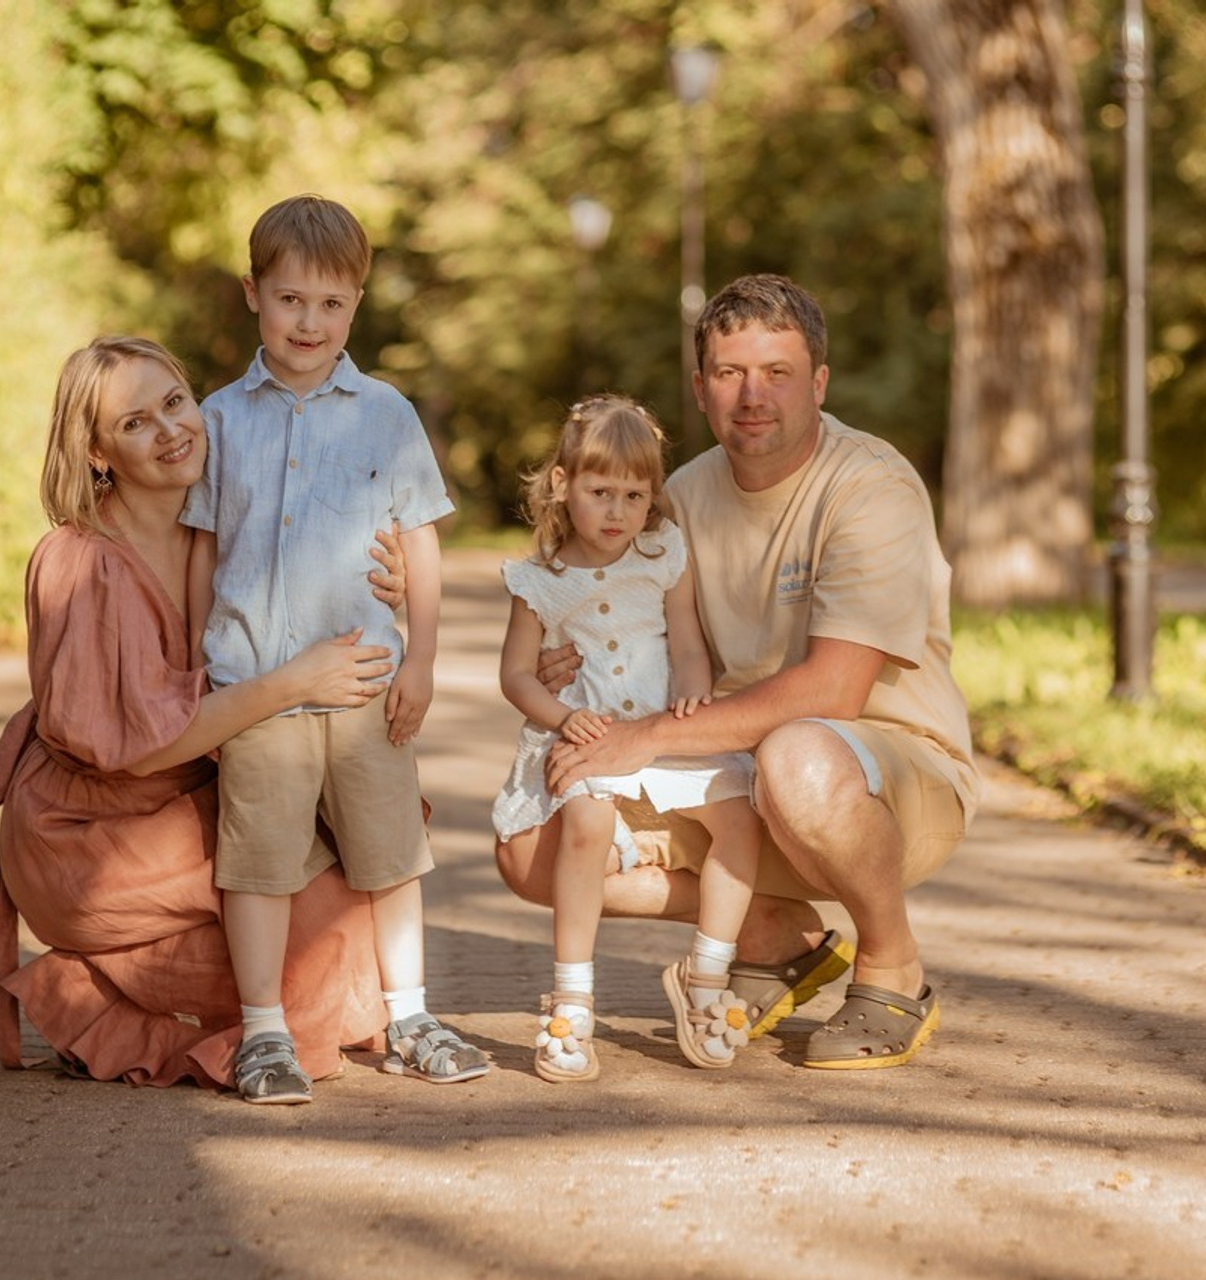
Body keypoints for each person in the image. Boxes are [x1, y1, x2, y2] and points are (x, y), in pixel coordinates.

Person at [497, 274, 980, 1070]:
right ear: (701, 389)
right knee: (530, 848)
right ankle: (774, 938)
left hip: (881, 779)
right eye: (730, 373)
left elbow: (835, 691)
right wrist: (563, 658)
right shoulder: (679, 500)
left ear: (818, 383)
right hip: (737, 770)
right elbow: (630, 622)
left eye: (777, 373)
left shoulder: (872, 486)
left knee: (799, 754)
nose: (753, 395)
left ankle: (892, 966)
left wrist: (645, 737)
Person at [0, 335, 405, 1090]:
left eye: (175, 402)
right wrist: (292, 683)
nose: (171, 430)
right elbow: (140, 751)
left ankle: (134, 982)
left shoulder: (227, 525)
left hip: (193, 796)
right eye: (135, 423)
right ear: (97, 452)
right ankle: (86, 994)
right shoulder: (78, 562)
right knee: (312, 968)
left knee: (360, 940)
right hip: (91, 835)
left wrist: (385, 584)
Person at [181, 194, 488, 1103]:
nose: (308, 322)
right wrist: (195, 668)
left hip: (365, 688)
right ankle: (264, 1032)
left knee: (392, 854)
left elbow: (419, 540)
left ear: (356, 304)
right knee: (258, 863)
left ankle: (410, 1017)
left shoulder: (386, 414)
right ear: (253, 294)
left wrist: (422, 660)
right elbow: (203, 550)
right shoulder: (220, 419)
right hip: (256, 688)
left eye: (330, 303)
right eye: (289, 300)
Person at [491, 396, 762, 1081]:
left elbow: (689, 644)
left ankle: (707, 974)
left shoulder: (664, 554)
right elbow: (515, 675)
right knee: (586, 823)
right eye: (600, 492)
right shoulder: (540, 580)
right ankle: (572, 996)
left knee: (739, 819)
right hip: (587, 729)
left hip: (664, 724)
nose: (617, 511)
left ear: (652, 498)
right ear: (564, 485)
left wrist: (691, 699)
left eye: (634, 496)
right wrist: (560, 718)